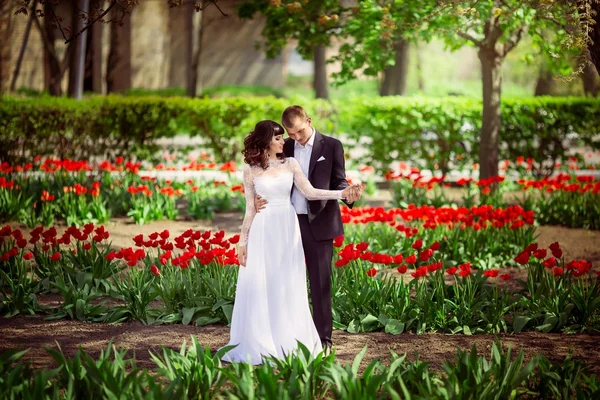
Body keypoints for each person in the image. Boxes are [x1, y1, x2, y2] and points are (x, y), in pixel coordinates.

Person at [220, 120, 361, 365]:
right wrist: (242, 243)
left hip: (287, 226)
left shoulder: (291, 164)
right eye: (277, 138)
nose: (282, 141)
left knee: (287, 282)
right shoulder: (250, 170)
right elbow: (249, 210)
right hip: (263, 229)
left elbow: (311, 192)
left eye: (282, 137)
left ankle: (289, 339)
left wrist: (341, 194)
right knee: (264, 283)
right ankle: (261, 341)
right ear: (265, 141)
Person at [253, 106, 362, 354]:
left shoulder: (332, 146)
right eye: (290, 134)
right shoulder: (285, 146)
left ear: (308, 121)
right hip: (286, 223)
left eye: (299, 132)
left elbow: (339, 180)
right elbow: (264, 172)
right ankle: (285, 336)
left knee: (320, 282)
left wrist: (348, 194)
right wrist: (258, 198)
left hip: (320, 222)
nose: (296, 138)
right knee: (284, 279)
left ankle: (323, 340)